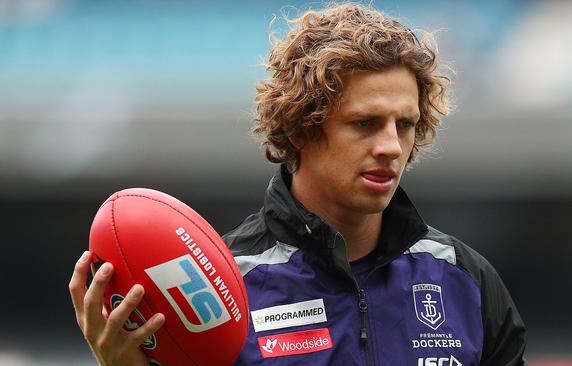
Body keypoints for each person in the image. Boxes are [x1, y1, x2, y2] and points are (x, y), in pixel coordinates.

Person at [69, 3, 527, 365]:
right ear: (300, 130)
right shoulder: (221, 294)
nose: (391, 146)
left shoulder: (465, 278)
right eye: (365, 123)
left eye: (404, 124)